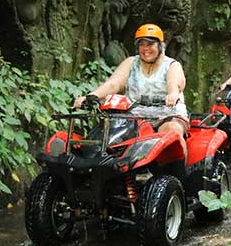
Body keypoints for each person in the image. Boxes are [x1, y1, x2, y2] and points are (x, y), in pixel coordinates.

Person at [73, 23, 189, 156]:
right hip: (135, 117)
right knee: (110, 131)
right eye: (142, 44)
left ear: (160, 46)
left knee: (171, 130)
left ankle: (177, 173)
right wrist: (91, 96)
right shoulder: (131, 63)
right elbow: (114, 83)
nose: (145, 49)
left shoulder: (172, 65)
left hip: (167, 115)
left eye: (150, 44)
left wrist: (172, 94)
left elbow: (174, 83)